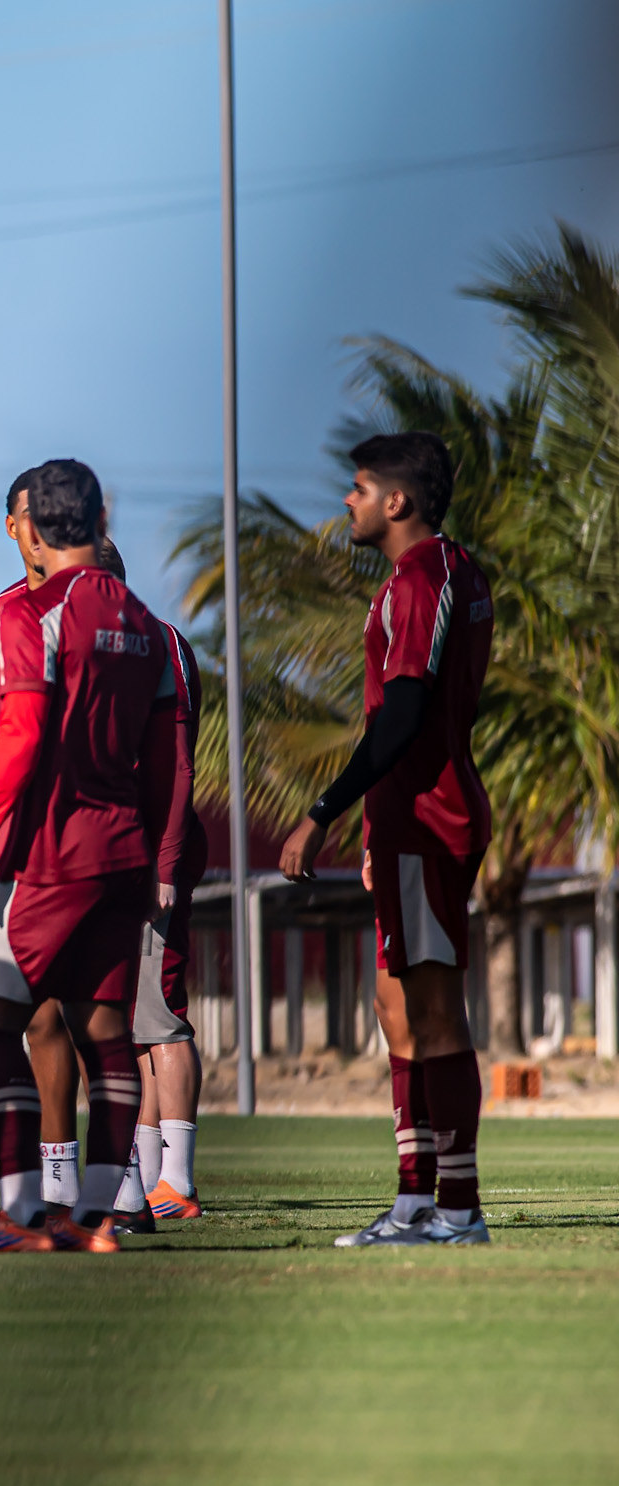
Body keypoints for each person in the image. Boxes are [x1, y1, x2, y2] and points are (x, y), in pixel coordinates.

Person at [0, 459, 173, 1256]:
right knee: (104, 1029)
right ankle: (96, 1222)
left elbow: (23, 734)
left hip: (48, 854)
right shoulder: (144, 624)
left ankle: (26, 1214)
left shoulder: (27, 612)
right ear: (102, 518)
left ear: (29, 527)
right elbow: (168, 758)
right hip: (124, 851)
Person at [279, 431, 493, 1247]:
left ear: (397, 502)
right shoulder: (444, 573)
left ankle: (458, 1209)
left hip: (430, 819)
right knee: (396, 1005)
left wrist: (322, 809)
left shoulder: (424, 578)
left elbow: (403, 715)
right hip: (405, 822)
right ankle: (413, 1201)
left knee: (436, 1013)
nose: (349, 500)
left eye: (360, 487)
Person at [0, 469, 87, 1213]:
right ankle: (69, 1190)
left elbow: (26, 732)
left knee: (82, 1020)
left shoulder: (95, 608)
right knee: (46, 1017)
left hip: (63, 840)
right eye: (23, 515)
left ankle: (63, 1198)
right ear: (13, 527)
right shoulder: (7, 609)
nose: (34, 529)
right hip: (33, 832)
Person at [92, 538, 205, 1232]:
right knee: (127, 1022)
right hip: (112, 854)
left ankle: (178, 1179)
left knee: (160, 1012)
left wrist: (164, 864)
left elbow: (178, 762)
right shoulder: (102, 643)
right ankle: (141, 1181)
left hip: (152, 855)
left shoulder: (159, 642)